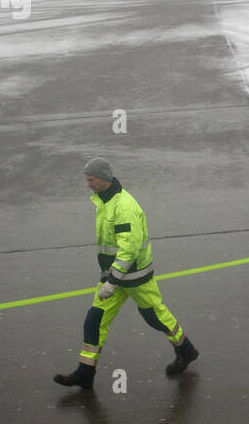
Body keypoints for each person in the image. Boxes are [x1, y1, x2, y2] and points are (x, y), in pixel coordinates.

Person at [53, 157, 199, 391]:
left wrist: (111, 281)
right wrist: (110, 278)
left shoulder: (124, 207)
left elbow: (129, 249)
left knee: (155, 316)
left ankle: (186, 350)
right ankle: (84, 372)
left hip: (134, 277)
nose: (88, 184)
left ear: (103, 179)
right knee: (94, 320)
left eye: (90, 180)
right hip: (114, 276)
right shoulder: (105, 201)